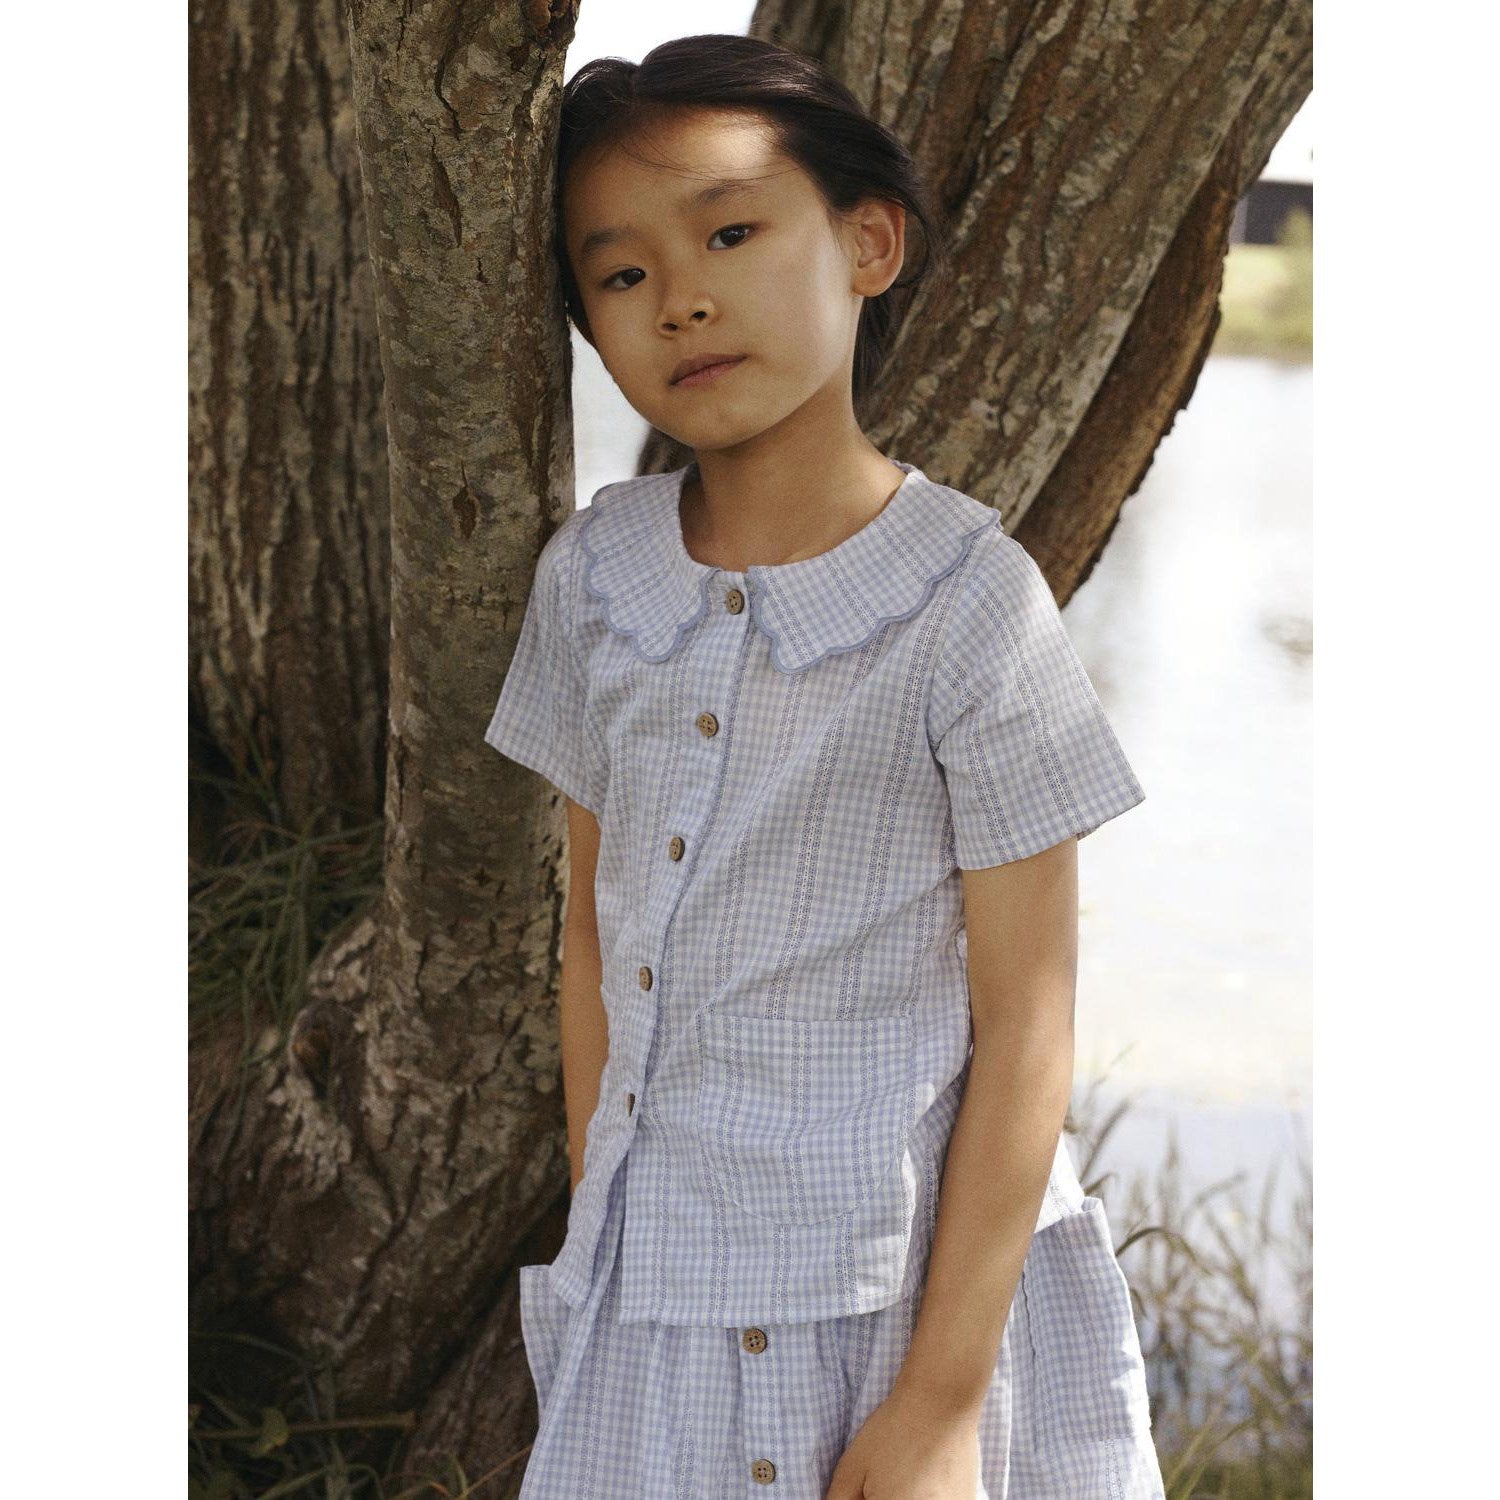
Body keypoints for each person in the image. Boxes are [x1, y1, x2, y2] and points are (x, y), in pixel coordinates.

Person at [483, 32, 1166, 1500]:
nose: (683, 296)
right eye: (622, 273)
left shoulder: (970, 604)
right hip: (655, 1284)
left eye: (730, 233)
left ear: (868, 245)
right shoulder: (594, 579)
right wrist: (608, 1213)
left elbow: (1028, 1019)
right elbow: (591, 935)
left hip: (899, 1299)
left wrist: (942, 1399)